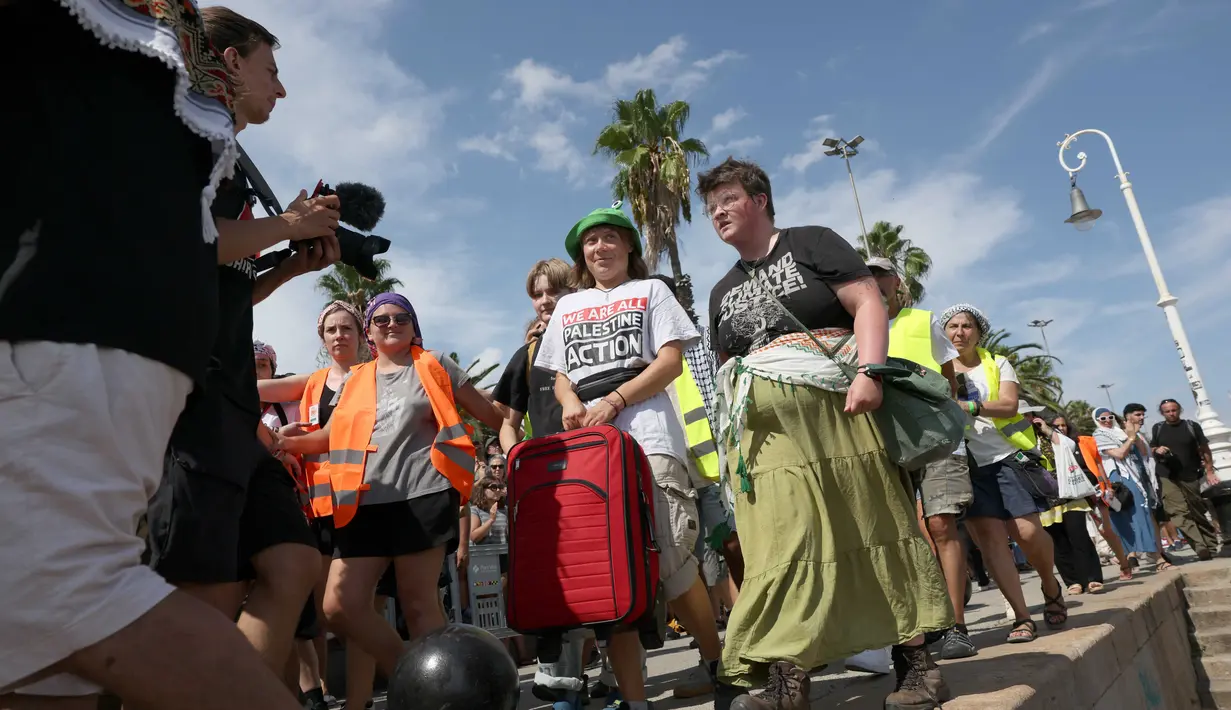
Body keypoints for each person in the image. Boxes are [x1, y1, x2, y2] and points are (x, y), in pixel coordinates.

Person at [0, 1, 304, 707]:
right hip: (112, 325)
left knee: (60, 587)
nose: (282, 89)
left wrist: (286, 235)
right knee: (42, 657)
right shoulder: (164, 99)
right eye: (272, 71)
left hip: (70, 306)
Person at [698, 158, 952, 710]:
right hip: (767, 442)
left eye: (728, 199)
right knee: (780, 544)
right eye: (711, 205)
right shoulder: (720, 290)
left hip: (840, 418)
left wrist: (870, 371)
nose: (717, 212)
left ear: (760, 200)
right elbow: (726, 369)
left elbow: (867, 303)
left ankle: (918, 668)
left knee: (873, 524)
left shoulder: (811, 242)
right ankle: (789, 683)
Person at [144, 7, 337, 691]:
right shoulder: (188, 131)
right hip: (191, 401)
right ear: (228, 65)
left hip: (233, 405)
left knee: (292, 564)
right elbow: (178, 242)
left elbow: (217, 283)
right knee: (208, 592)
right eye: (272, 71)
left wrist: (287, 265)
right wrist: (288, 223)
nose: (280, 90)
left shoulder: (227, 147)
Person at [536, 204, 726, 710]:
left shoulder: (653, 292)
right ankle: (636, 700)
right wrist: (572, 402)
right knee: (614, 575)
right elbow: (558, 375)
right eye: (591, 241)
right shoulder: (567, 308)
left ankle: (717, 669)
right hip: (592, 452)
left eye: (610, 239)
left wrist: (616, 401)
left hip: (650, 436)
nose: (601, 248)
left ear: (628, 248)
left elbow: (670, 361)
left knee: (671, 561)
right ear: (582, 254)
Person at [280, 292, 503, 677]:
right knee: (337, 606)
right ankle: (421, 677)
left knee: (419, 606)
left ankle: (439, 693)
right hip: (363, 503)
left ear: (415, 326)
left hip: (424, 495)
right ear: (369, 332)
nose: (391, 324)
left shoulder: (434, 365)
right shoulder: (356, 379)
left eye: (401, 317)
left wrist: (525, 410)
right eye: (380, 320)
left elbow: (492, 415)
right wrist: (282, 443)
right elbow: (330, 437)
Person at [492, 258, 592, 710]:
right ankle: (563, 684)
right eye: (537, 293)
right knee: (561, 580)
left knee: (604, 572)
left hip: (596, 469)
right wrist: (517, 458)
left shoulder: (593, 338)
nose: (545, 300)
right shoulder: (526, 355)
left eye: (554, 290)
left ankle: (617, 674)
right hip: (548, 482)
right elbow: (506, 423)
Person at [866, 257, 973, 661]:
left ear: (895, 282)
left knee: (942, 524)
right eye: (867, 277)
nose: (875, 283)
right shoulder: (856, 329)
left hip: (934, 440)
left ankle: (956, 627)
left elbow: (948, 377)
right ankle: (925, 623)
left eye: (881, 276)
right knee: (906, 534)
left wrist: (946, 421)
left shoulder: (923, 320)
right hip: (889, 443)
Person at [941, 303, 1065, 645]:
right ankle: (1022, 618)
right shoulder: (939, 369)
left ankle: (1050, 584)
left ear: (979, 332)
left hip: (1007, 455)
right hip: (967, 463)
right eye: (952, 326)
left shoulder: (997, 363)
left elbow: (1010, 405)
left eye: (967, 326)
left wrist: (971, 406)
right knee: (991, 541)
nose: (960, 332)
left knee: (1026, 532)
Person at [1093, 407, 1168, 569]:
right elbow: (1119, 454)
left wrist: (1134, 434)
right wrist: (1131, 438)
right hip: (1118, 480)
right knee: (1125, 519)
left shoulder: (1122, 432)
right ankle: (1133, 556)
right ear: (1096, 421)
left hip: (1137, 478)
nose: (1107, 421)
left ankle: (1154, 555)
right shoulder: (1099, 435)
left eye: (1110, 417)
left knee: (1143, 514)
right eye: (1102, 419)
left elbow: (1142, 452)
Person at [1150, 398, 1220, 560]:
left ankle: (1210, 544)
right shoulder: (1158, 428)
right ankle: (1200, 546)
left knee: (1197, 511)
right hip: (1167, 475)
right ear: (1162, 413)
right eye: (1167, 411)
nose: (1171, 414)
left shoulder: (1191, 426)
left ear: (1179, 410)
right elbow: (1153, 447)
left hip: (1190, 475)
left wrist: (1209, 471)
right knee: (1178, 512)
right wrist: (1157, 450)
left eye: (1174, 410)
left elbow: (1205, 449)